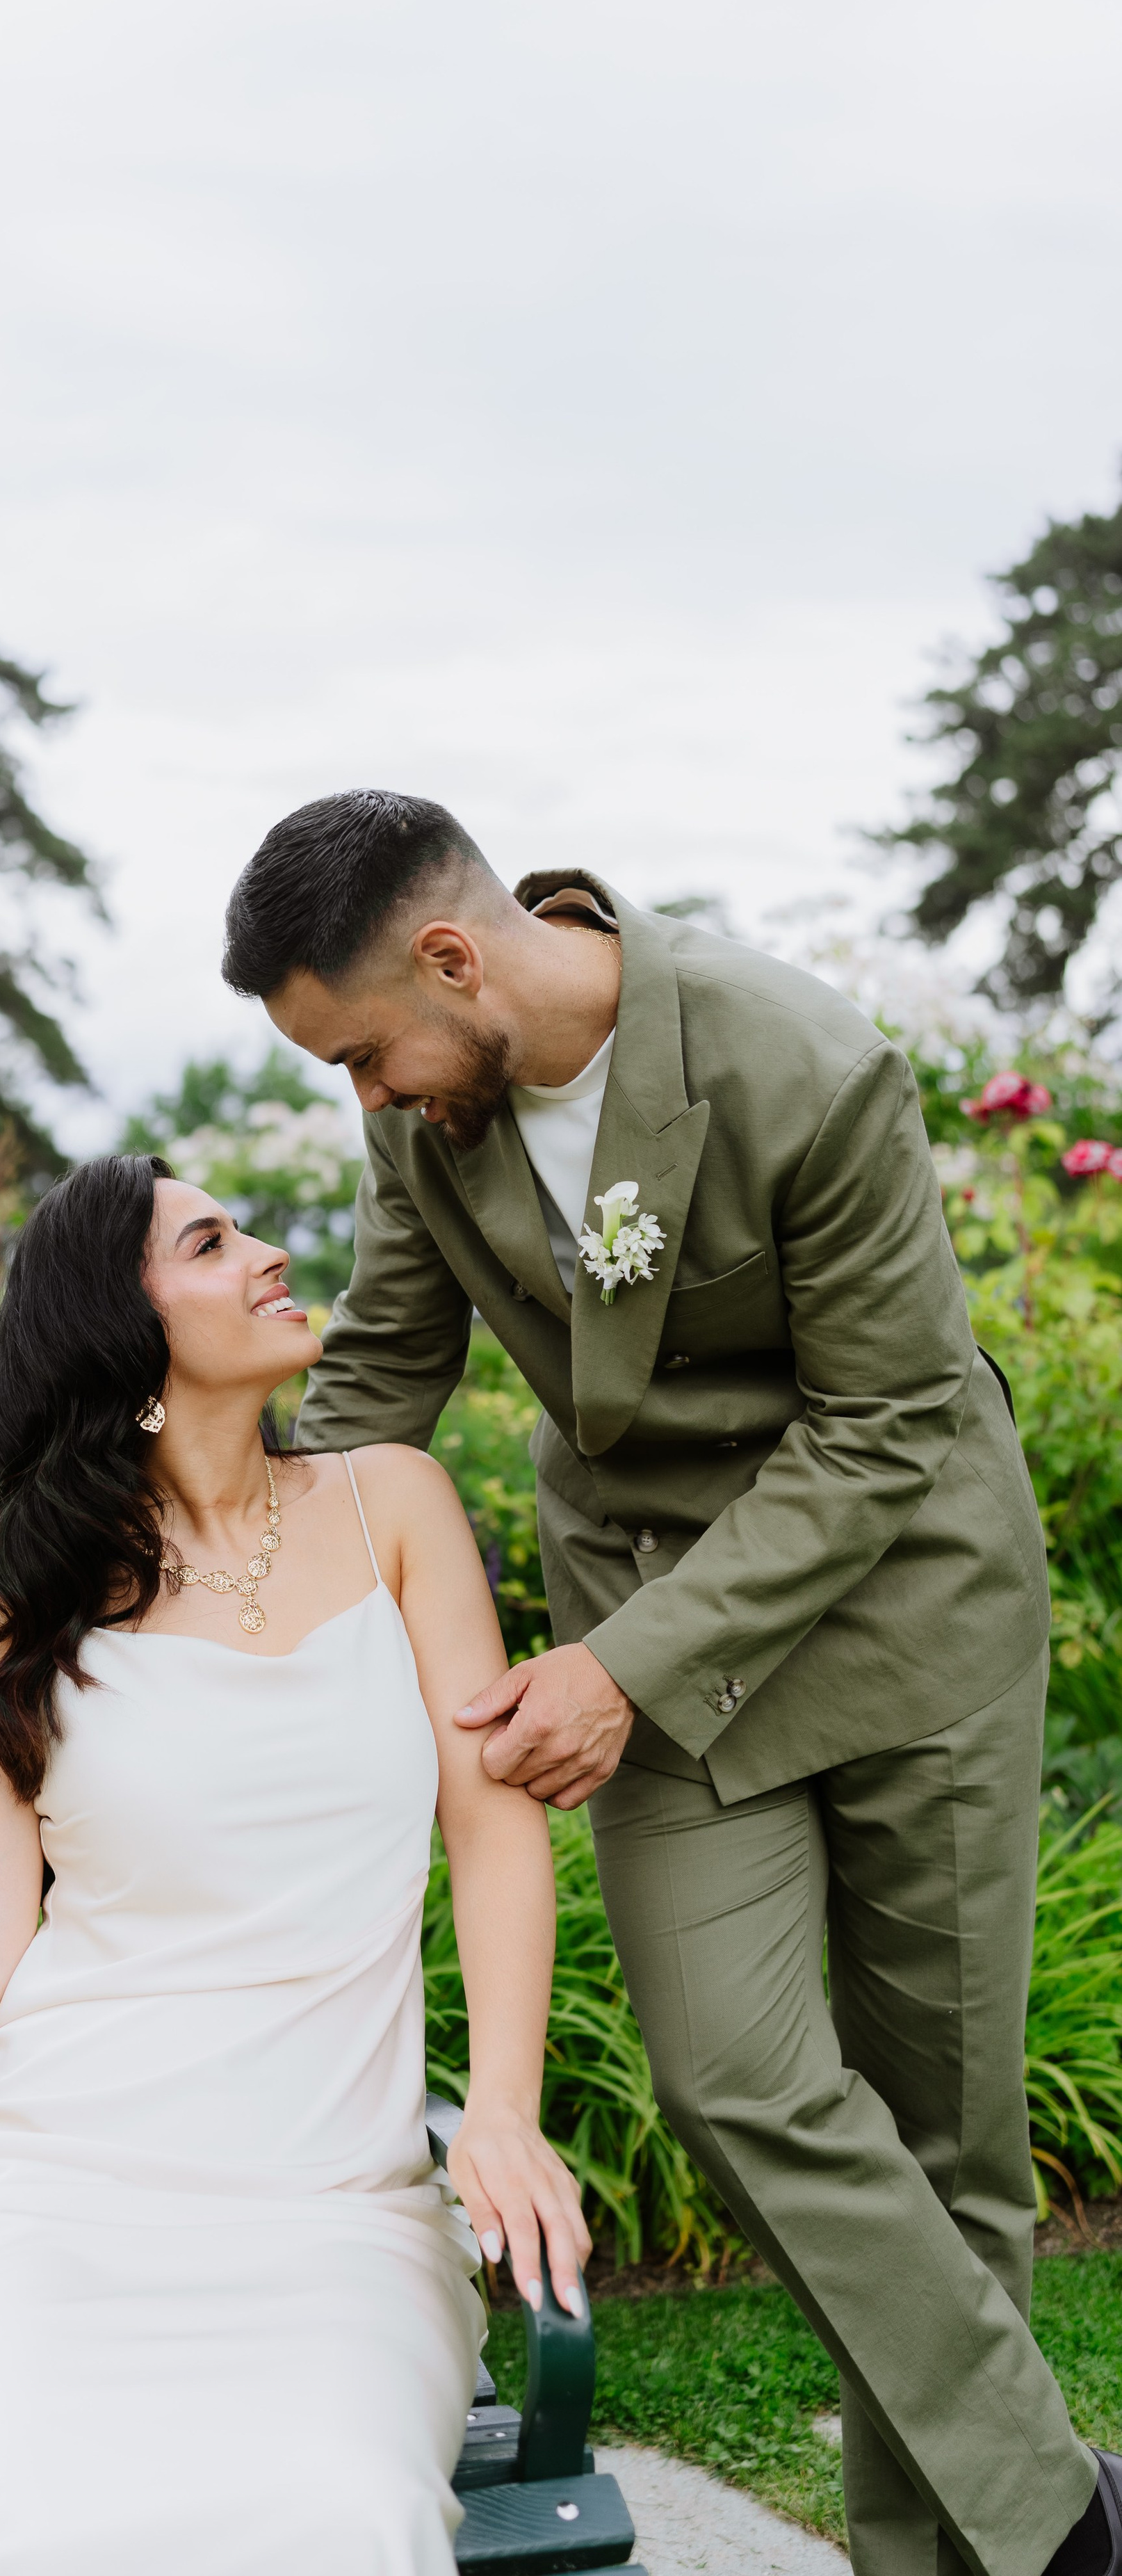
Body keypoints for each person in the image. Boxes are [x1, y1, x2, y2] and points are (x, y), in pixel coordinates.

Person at [222, 788, 1121, 2576]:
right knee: (731, 2081)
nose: (367, 1099)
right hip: (639, 1628)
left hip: (904, 1618)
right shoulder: (428, 1128)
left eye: (363, 1053)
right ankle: (1062, 2516)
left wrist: (617, 1672)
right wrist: (198, 1568)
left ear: (453, 958)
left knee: (941, 2148)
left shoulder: (804, 1064)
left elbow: (884, 1426)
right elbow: (379, 1378)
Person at [0, 1152, 589, 2576]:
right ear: (123, 1332)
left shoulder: (393, 1507)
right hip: (34, 2190)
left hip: (331, 2214)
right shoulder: (15, 1603)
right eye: (208, 1243)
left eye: (242, 1226)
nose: (266, 1252)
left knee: (342, 2513)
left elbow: (493, 1827)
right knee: (25, 2524)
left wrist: (501, 2106)